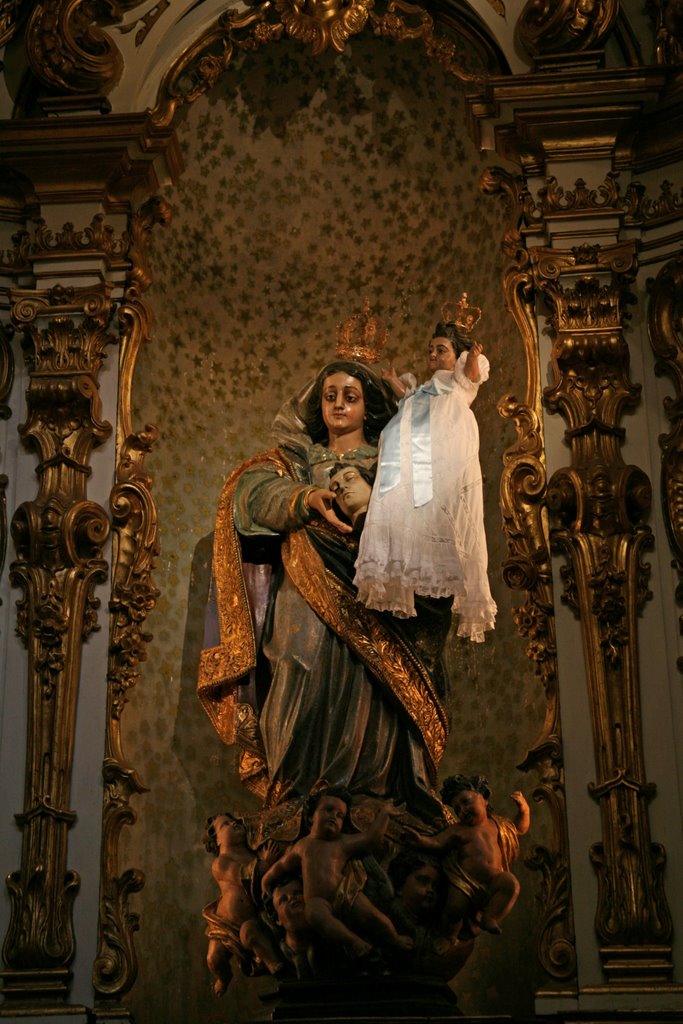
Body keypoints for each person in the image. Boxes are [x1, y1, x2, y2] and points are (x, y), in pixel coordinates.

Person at [198, 360, 453, 820]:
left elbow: (429, 507)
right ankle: (296, 802)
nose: (338, 404)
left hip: (377, 598)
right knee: (298, 665)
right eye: (330, 395)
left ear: (367, 406)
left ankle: (378, 801)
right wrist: (305, 498)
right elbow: (248, 497)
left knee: (376, 691)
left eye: (350, 396)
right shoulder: (294, 460)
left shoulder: (390, 456)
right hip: (304, 595)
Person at [353, 321, 497, 640]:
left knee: (440, 501)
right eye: (431, 350)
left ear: (456, 356)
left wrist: (472, 356)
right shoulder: (424, 390)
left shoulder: (457, 383)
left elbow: (472, 376)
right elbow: (409, 398)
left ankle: (438, 547)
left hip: (443, 444)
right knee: (405, 502)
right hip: (412, 449)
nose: (433, 355)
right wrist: (393, 382)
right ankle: (405, 546)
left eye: (441, 350)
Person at [261, 787, 413, 961]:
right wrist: (266, 880)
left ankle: (394, 938)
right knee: (313, 914)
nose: (334, 816)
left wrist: (385, 813)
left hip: (345, 892)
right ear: (311, 817)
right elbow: (281, 866)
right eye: (328, 810)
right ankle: (354, 942)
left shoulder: (342, 842)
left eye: (340, 815)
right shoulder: (302, 846)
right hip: (318, 900)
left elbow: (372, 838)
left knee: (375, 917)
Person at [403, 774, 530, 943]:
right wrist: (420, 841)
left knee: (511, 884)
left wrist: (524, 810)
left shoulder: (499, 825)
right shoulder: (458, 830)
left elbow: (518, 829)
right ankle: (447, 936)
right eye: (457, 809)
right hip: (465, 882)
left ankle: (490, 917)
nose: (462, 810)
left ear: (484, 798)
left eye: (465, 802)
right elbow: (437, 843)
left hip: (493, 880)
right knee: (455, 908)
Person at [202, 813, 285, 994]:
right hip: (224, 924)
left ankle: (275, 964)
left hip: (252, 917)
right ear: (217, 840)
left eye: (236, 821)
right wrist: (267, 863)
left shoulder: (253, 853)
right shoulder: (220, 862)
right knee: (214, 958)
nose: (234, 824)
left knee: (252, 934)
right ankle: (223, 978)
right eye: (226, 824)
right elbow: (245, 876)